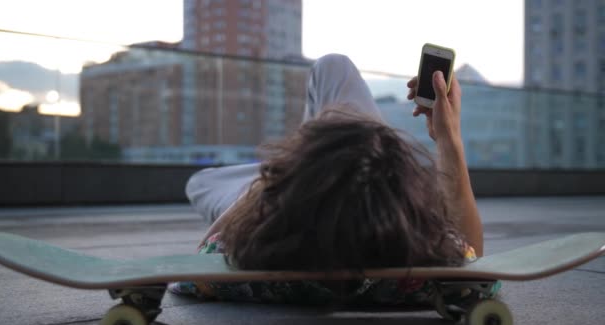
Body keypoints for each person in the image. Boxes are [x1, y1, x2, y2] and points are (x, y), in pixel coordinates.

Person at [169, 54, 483, 305]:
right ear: (401, 202)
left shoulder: (246, 278)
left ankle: (319, 164)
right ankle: (330, 162)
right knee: (335, 67)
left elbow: (199, 264)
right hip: (339, 181)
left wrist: (282, 173)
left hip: (294, 190)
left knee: (201, 182)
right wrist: (447, 137)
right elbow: (473, 262)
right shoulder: (412, 274)